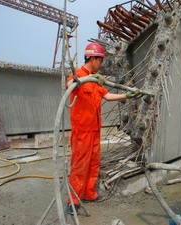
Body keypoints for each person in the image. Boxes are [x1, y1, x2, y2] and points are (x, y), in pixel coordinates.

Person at [66, 42, 139, 215]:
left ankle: (90, 194)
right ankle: (74, 200)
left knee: (93, 164)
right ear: (92, 58)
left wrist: (126, 95)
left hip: (95, 130)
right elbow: (70, 85)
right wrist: (83, 80)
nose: (101, 65)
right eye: (100, 61)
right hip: (82, 132)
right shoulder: (78, 75)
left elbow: (107, 96)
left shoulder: (96, 79)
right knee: (79, 166)